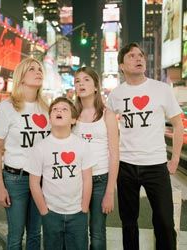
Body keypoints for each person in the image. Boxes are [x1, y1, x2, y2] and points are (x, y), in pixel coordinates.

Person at [107, 42, 184, 250]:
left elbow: (178, 123)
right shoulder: (115, 95)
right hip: (126, 166)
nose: (139, 58)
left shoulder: (161, 89)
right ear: (122, 65)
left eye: (140, 55)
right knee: (128, 222)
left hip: (156, 165)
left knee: (165, 223)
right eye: (131, 56)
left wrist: (175, 158)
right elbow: (106, 128)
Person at [0, 57, 50, 249]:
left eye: (40, 69)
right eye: (32, 69)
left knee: (35, 234)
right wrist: (0, 187)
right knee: (15, 235)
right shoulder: (7, 107)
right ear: (21, 77)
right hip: (16, 179)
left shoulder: (47, 107)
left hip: (41, 179)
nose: (38, 72)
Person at [25, 97, 94, 250]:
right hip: (51, 213)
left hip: (77, 213)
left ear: (74, 119)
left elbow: (87, 179)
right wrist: (44, 210)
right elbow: (34, 182)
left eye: (64, 109)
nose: (58, 111)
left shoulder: (82, 145)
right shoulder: (40, 148)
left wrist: (84, 208)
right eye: (55, 109)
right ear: (50, 118)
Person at [73, 66, 119, 250]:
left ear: (95, 87)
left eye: (86, 80)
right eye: (77, 81)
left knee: (98, 232)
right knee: (77, 230)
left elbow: (115, 154)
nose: (81, 83)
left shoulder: (107, 115)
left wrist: (110, 192)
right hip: (76, 180)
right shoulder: (72, 115)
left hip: (101, 179)